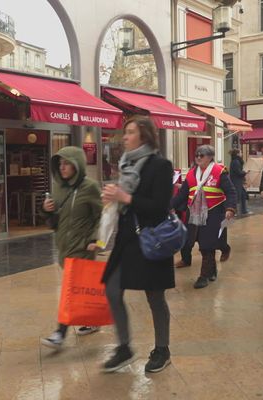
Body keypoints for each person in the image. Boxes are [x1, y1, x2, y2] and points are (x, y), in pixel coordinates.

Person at [100, 116, 174, 374]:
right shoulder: (127, 164)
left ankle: (162, 349)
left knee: (155, 296)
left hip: (151, 239)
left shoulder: (161, 165)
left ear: (144, 135)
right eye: (125, 132)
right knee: (111, 289)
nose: (125, 137)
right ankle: (124, 347)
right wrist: (113, 201)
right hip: (126, 240)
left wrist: (125, 197)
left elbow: (160, 207)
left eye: (130, 132)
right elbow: (125, 203)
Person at [40, 146, 103, 349]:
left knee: (69, 290)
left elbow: (101, 217)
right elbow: (55, 221)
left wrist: (95, 241)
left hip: (83, 246)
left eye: (67, 163)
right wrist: (46, 211)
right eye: (60, 163)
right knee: (79, 289)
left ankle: (60, 333)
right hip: (64, 246)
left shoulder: (90, 187)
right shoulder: (58, 187)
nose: (63, 167)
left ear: (77, 165)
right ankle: (92, 321)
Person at [171, 145, 237, 289]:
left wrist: (230, 208)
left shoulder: (219, 172)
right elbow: (182, 195)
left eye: (202, 155)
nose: (199, 158)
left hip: (214, 212)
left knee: (207, 245)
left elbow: (231, 192)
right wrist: (168, 206)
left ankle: (204, 276)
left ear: (210, 157)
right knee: (194, 242)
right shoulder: (190, 174)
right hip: (194, 213)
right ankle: (212, 271)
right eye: (197, 155)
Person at [229, 149, 250, 215]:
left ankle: (244, 210)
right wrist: (245, 172)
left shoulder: (236, 161)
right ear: (237, 154)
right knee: (237, 196)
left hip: (238, 181)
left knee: (243, 195)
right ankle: (234, 212)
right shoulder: (236, 162)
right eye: (241, 152)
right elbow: (238, 172)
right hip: (236, 182)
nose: (242, 153)